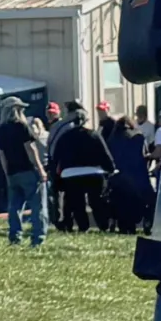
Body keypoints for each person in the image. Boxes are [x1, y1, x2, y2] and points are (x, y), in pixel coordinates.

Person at [51, 99, 113, 232]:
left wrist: (56, 174)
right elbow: (104, 153)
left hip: (71, 173)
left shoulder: (65, 137)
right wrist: (111, 168)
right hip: (94, 172)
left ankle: (83, 226)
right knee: (96, 201)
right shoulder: (94, 135)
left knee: (77, 202)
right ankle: (103, 225)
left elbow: (57, 156)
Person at [0, 99, 46, 246]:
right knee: (38, 206)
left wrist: (7, 173)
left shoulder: (1, 129)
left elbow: (2, 154)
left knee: (15, 207)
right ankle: (37, 238)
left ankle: (15, 236)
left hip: (12, 172)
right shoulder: (22, 127)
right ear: (17, 110)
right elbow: (31, 149)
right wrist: (40, 168)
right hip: (28, 171)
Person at [107, 117, 155, 234]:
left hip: (118, 178)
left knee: (119, 201)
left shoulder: (112, 139)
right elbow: (144, 156)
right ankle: (147, 222)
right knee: (152, 200)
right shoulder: (138, 137)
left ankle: (120, 225)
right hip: (138, 178)